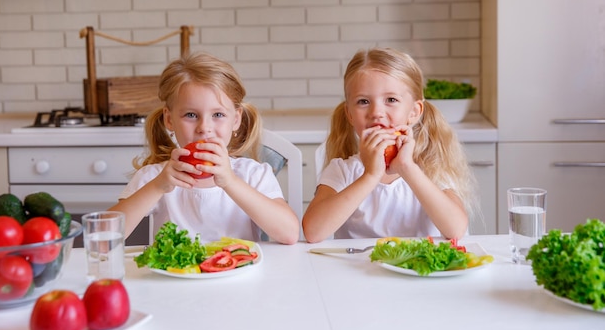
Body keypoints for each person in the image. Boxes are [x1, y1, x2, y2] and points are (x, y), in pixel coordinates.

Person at [109, 52, 299, 245]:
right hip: (174, 276)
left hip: (238, 274)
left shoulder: (252, 174)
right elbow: (105, 237)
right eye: (191, 115)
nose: (204, 128)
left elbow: (290, 234)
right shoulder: (157, 176)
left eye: (217, 114)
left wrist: (231, 182)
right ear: (169, 119)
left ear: (235, 119)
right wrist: (157, 186)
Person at [302, 48, 479, 243]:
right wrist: (370, 175)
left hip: (417, 272)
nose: (376, 112)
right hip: (359, 271)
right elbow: (313, 232)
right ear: (349, 114)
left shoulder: (430, 167)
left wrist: (407, 168)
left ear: (414, 111)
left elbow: (456, 230)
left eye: (391, 100)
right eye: (363, 101)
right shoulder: (342, 170)